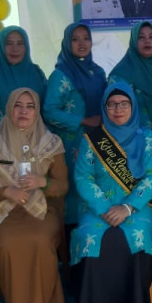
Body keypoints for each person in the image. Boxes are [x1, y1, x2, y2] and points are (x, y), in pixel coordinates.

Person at [0, 88, 68, 303]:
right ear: (9, 109)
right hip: (1, 214)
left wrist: (42, 183)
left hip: (41, 211)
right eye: (18, 105)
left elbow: (63, 185)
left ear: (37, 111)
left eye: (30, 106)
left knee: (39, 239)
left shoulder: (52, 144)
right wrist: (5, 192)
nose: (24, 111)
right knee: (10, 242)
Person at [71, 82, 152, 303]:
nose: (118, 109)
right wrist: (103, 208)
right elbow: (83, 176)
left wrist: (128, 207)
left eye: (124, 104)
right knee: (95, 235)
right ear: (104, 107)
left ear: (133, 106)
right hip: (97, 207)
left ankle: (131, 300)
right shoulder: (92, 139)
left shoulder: (146, 137)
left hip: (136, 206)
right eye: (111, 104)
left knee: (133, 233)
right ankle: (101, 301)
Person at [44, 22, 107, 226]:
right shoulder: (61, 75)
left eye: (86, 38)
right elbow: (49, 111)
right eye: (75, 39)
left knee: (96, 184)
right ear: (66, 43)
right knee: (74, 188)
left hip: (97, 140)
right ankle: (73, 243)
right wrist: (83, 120)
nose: (82, 43)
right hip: (72, 143)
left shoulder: (98, 72)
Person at [109, 21, 152, 137]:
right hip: (135, 142)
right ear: (134, 41)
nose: (147, 41)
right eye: (141, 37)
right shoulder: (120, 75)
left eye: (151, 37)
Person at [0, 26, 48, 135]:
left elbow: (47, 107)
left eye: (20, 43)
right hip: (5, 143)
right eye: (9, 43)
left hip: (38, 140)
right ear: (1, 46)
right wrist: (14, 136)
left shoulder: (36, 73)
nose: (14, 49)